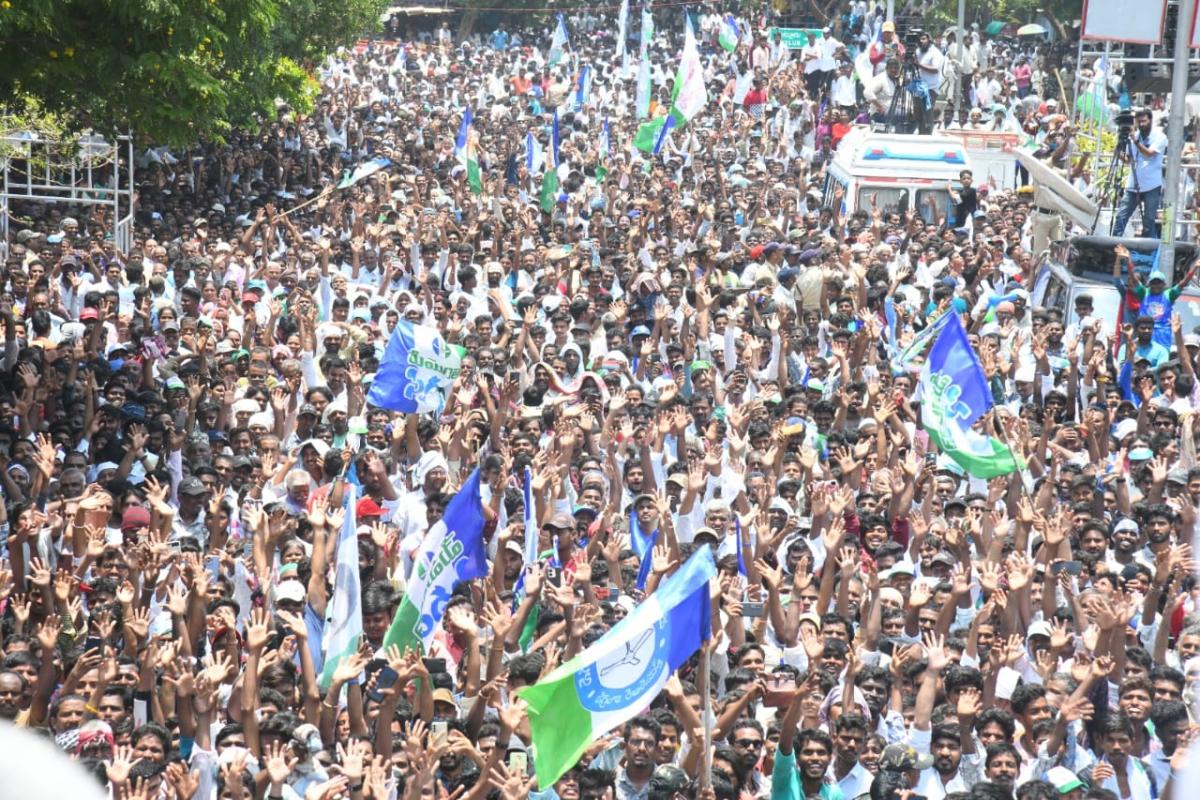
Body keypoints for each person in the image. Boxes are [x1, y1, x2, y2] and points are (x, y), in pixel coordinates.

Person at [1113, 108, 1168, 238]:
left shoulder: (1160, 137)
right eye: (1139, 122)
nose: (1141, 124)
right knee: (1121, 217)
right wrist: (1118, 150)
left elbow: (1149, 154)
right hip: (1133, 184)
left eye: (1144, 121)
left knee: (1148, 221)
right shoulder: (1134, 135)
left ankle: (1148, 254)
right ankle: (1113, 246)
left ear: (1150, 120)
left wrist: (1135, 141)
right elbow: (1128, 160)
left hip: (1151, 186)